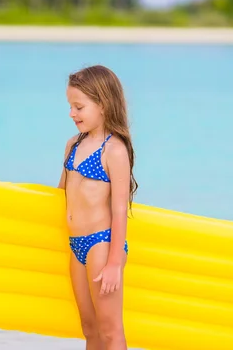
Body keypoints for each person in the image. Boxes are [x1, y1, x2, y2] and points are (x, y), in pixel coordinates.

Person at [57, 65, 138, 350]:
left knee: (110, 331)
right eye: (70, 106)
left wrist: (115, 262)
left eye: (79, 106)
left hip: (101, 245)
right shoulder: (73, 145)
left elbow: (119, 210)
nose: (72, 114)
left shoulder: (113, 150)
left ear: (102, 104)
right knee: (89, 328)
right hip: (76, 244)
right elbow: (61, 195)